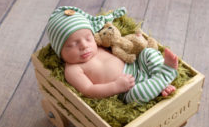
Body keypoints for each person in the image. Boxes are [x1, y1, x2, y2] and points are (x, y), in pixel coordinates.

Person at [46, 6, 178, 104]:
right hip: (127, 90)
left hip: (137, 66)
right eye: (72, 45)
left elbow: (113, 40)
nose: (84, 46)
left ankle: (158, 80)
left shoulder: (97, 45)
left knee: (148, 53)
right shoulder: (72, 70)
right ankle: (165, 76)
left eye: (88, 38)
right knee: (139, 94)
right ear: (60, 52)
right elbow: (89, 90)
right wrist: (116, 86)